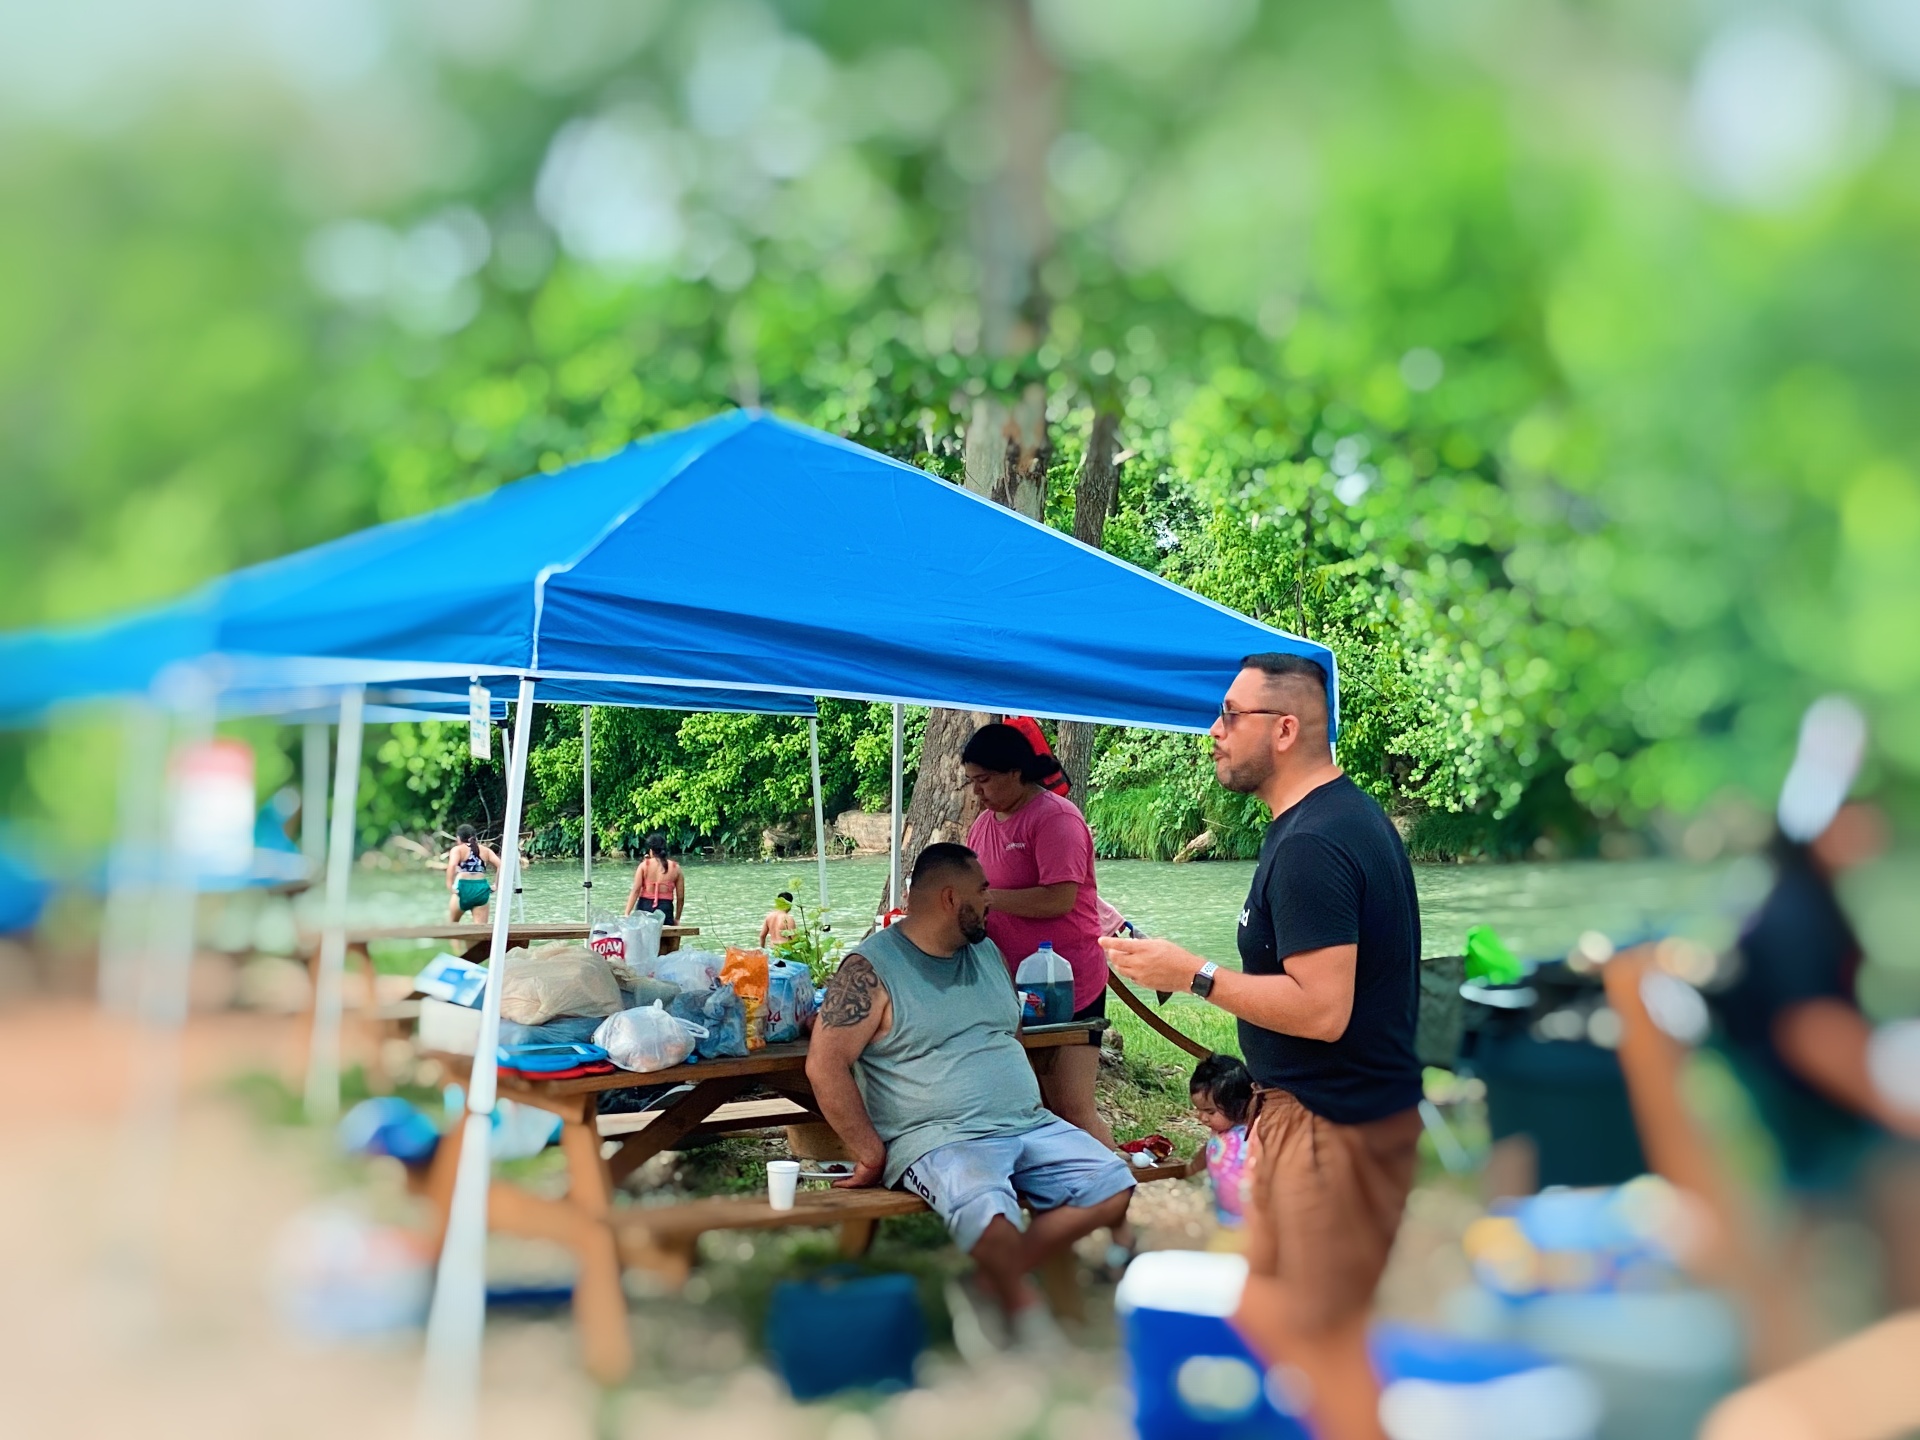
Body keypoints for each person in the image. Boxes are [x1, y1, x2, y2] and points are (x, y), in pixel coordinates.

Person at [1102, 652, 1423, 1440]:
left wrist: (1193, 974)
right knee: (1263, 1311)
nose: (1213, 731)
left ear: (1284, 730)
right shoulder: (1326, 822)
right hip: (1304, 1119)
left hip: (1332, 1124)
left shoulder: (1317, 841)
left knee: (1321, 1344)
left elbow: (1323, 1010)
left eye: (1229, 714)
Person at [805, 842, 1136, 1353]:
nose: (991, 900)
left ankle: (989, 1280)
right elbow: (824, 1064)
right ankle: (1027, 1320)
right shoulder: (870, 969)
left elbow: (1010, 1036)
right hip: (939, 1137)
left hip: (1027, 1123)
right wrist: (869, 1152)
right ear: (948, 898)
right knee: (991, 1216)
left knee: (1114, 1185)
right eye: (982, 890)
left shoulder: (988, 953)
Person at [961, 723, 1112, 1142]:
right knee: (1032, 1109)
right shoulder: (983, 825)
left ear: (1015, 772)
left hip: (1064, 983)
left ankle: (1113, 1179)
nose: (977, 792)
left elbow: (1059, 899)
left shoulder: (1056, 818)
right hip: (1009, 986)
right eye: (971, 781)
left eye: (984, 780)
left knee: (1072, 1109)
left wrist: (986, 900)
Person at [1187, 1052, 1254, 1229]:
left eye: (1210, 1112)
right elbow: (1211, 1148)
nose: (1202, 1117)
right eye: (1199, 1110)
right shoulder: (1220, 1130)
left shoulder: (1250, 1136)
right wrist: (1194, 1167)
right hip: (1224, 1212)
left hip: (1250, 1218)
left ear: (1239, 1105)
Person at [625, 832, 684, 926]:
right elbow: (680, 898)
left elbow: (636, 890)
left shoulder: (644, 865)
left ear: (651, 851)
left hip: (645, 907)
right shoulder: (675, 867)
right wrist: (677, 919)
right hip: (665, 909)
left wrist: (627, 913)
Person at [445, 825, 501, 924]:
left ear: (458, 838)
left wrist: (450, 886)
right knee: (480, 930)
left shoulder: (457, 850)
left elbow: (452, 866)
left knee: (453, 926)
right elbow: (500, 865)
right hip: (481, 889)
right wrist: (496, 885)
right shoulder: (486, 850)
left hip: (463, 887)